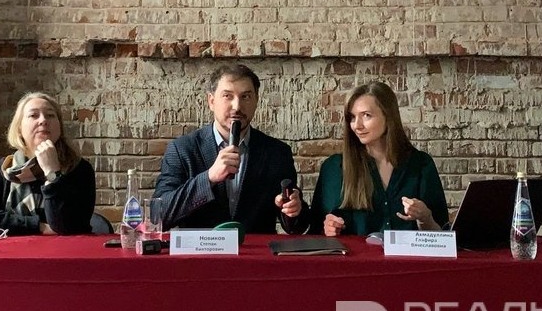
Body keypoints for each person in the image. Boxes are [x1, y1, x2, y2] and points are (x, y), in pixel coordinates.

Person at [154, 64, 309, 234]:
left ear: (256, 101)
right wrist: (209, 178)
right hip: (200, 250)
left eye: (246, 96)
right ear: (211, 101)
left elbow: (297, 227)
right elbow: (158, 216)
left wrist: (294, 210)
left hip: (256, 251)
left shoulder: (277, 153)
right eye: (227, 96)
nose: (237, 106)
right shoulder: (182, 149)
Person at [310, 82, 448, 236]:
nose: (357, 125)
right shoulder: (334, 168)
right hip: (355, 253)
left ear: (388, 116)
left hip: (408, 253)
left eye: (366, 115)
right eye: (352, 117)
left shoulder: (421, 164)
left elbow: (443, 237)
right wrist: (327, 228)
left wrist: (425, 218)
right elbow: (315, 231)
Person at [0, 92, 96, 235]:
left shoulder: (78, 168)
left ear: (59, 127)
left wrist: (52, 172)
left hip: (66, 249)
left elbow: (67, 225)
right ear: (19, 128)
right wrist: (38, 226)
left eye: (50, 115)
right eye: (33, 115)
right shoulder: (3, 170)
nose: (43, 120)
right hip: (15, 249)